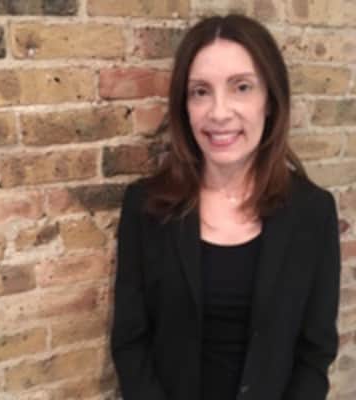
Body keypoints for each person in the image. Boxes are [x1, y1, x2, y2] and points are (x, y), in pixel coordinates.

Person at [111, 14, 341, 400]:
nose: (218, 112)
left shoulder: (312, 213)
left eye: (241, 87)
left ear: (270, 101)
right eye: (200, 91)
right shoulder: (146, 206)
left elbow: (314, 353)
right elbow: (131, 342)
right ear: (184, 106)